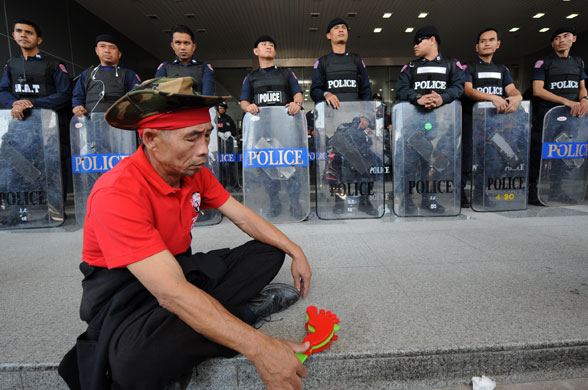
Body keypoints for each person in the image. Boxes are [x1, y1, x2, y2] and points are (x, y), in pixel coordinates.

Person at [58, 77, 312, 390]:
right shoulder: (117, 192)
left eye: (207, 136)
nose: (204, 150)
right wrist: (261, 347)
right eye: (192, 138)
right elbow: (171, 292)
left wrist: (296, 250)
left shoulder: (194, 172)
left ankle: (211, 321)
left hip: (177, 270)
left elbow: (244, 217)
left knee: (268, 251)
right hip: (125, 293)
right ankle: (242, 314)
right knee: (134, 365)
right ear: (151, 138)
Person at [0, 19, 72, 201]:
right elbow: (3, 90)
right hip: (20, 127)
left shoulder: (54, 65)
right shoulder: (11, 64)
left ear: (39, 39)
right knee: (14, 165)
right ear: (13, 35)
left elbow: (65, 94)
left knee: (52, 167)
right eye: (19, 31)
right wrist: (14, 104)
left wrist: (32, 104)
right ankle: (17, 210)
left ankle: (54, 209)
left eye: (29, 32)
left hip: (49, 128)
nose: (23, 35)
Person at [395, 26, 465, 213]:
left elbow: (459, 86)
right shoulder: (411, 67)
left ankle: (429, 200)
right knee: (409, 166)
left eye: (418, 41)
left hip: (439, 127)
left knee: (432, 167)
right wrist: (417, 97)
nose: (415, 46)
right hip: (413, 126)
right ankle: (407, 201)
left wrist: (443, 97)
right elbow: (400, 90)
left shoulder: (451, 64)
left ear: (432, 40)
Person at [240, 35, 305, 218]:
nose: (268, 47)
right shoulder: (251, 77)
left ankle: (294, 203)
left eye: (271, 45)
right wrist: (248, 107)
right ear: (256, 51)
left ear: (274, 51)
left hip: (285, 131)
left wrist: (296, 104)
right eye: (263, 44)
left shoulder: (286, 73)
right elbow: (244, 102)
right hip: (263, 132)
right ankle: (274, 203)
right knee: (268, 171)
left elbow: (298, 95)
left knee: (290, 168)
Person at [462, 28, 523, 206]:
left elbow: (511, 90)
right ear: (476, 46)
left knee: (491, 159)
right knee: (467, 159)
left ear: (498, 44)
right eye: (483, 41)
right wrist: (493, 98)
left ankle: (482, 193)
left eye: (491, 40)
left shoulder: (502, 69)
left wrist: (517, 97)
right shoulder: (468, 67)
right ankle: (461, 194)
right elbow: (468, 90)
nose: (487, 43)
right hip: (472, 121)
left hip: (495, 124)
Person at [530, 26, 588, 200]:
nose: (561, 40)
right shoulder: (544, 63)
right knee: (541, 153)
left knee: (564, 154)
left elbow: (582, 87)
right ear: (552, 43)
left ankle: (558, 190)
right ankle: (534, 190)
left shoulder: (578, 62)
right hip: (547, 116)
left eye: (565, 36)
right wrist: (566, 102)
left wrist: (584, 99)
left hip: (572, 118)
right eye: (557, 38)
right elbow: (537, 90)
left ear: (574, 39)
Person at [72, 34, 141, 117]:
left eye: (112, 47)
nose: (107, 50)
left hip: (119, 123)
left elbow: (138, 97)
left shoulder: (129, 74)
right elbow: (78, 96)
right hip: (90, 122)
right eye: (102, 46)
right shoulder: (87, 73)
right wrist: (77, 106)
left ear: (119, 54)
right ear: (96, 50)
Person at [310, 17, 372, 108]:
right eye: (336, 28)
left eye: (344, 28)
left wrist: (365, 116)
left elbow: (366, 91)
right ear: (328, 35)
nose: (341, 30)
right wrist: (326, 94)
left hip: (355, 117)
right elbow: (314, 91)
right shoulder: (322, 62)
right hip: (331, 117)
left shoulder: (356, 60)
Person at [154, 25, 215, 95]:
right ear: (172, 46)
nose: (182, 47)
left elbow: (208, 96)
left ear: (193, 46)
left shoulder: (204, 67)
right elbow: (157, 94)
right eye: (178, 43)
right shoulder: (164, 67)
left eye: (186, 43)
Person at [216, 101, 239, 188]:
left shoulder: (228, 118)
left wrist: (230, 133)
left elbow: (234, 129)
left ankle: (233, 183)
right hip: (218, 145)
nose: (223, 110)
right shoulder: (214, 119)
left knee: (230, 163)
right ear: (217, 108)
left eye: (224, 108)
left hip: (228, 144)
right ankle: (222, 183)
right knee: (220, 164)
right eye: (221, 108)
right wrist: (218, 133)